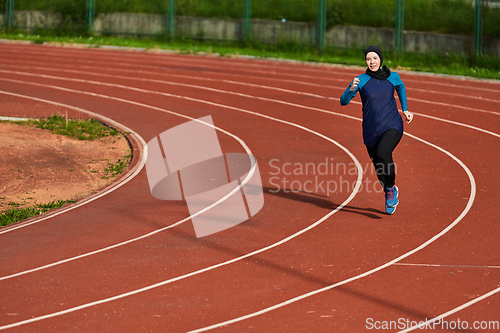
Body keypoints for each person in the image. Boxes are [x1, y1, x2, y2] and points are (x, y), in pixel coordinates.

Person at [340, 45, 414, 215]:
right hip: (371, 131)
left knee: (383, 153)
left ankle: (390, 190)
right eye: (368, 59)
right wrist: (351, 90)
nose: (371, 61)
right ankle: (389, 186)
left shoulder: (392, 77)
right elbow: (343, 101)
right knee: (379, 167)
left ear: (380, 59)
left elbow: (401, 87)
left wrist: (405, 109)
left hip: (392, 125)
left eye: (374, 58)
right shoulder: (361, 80)